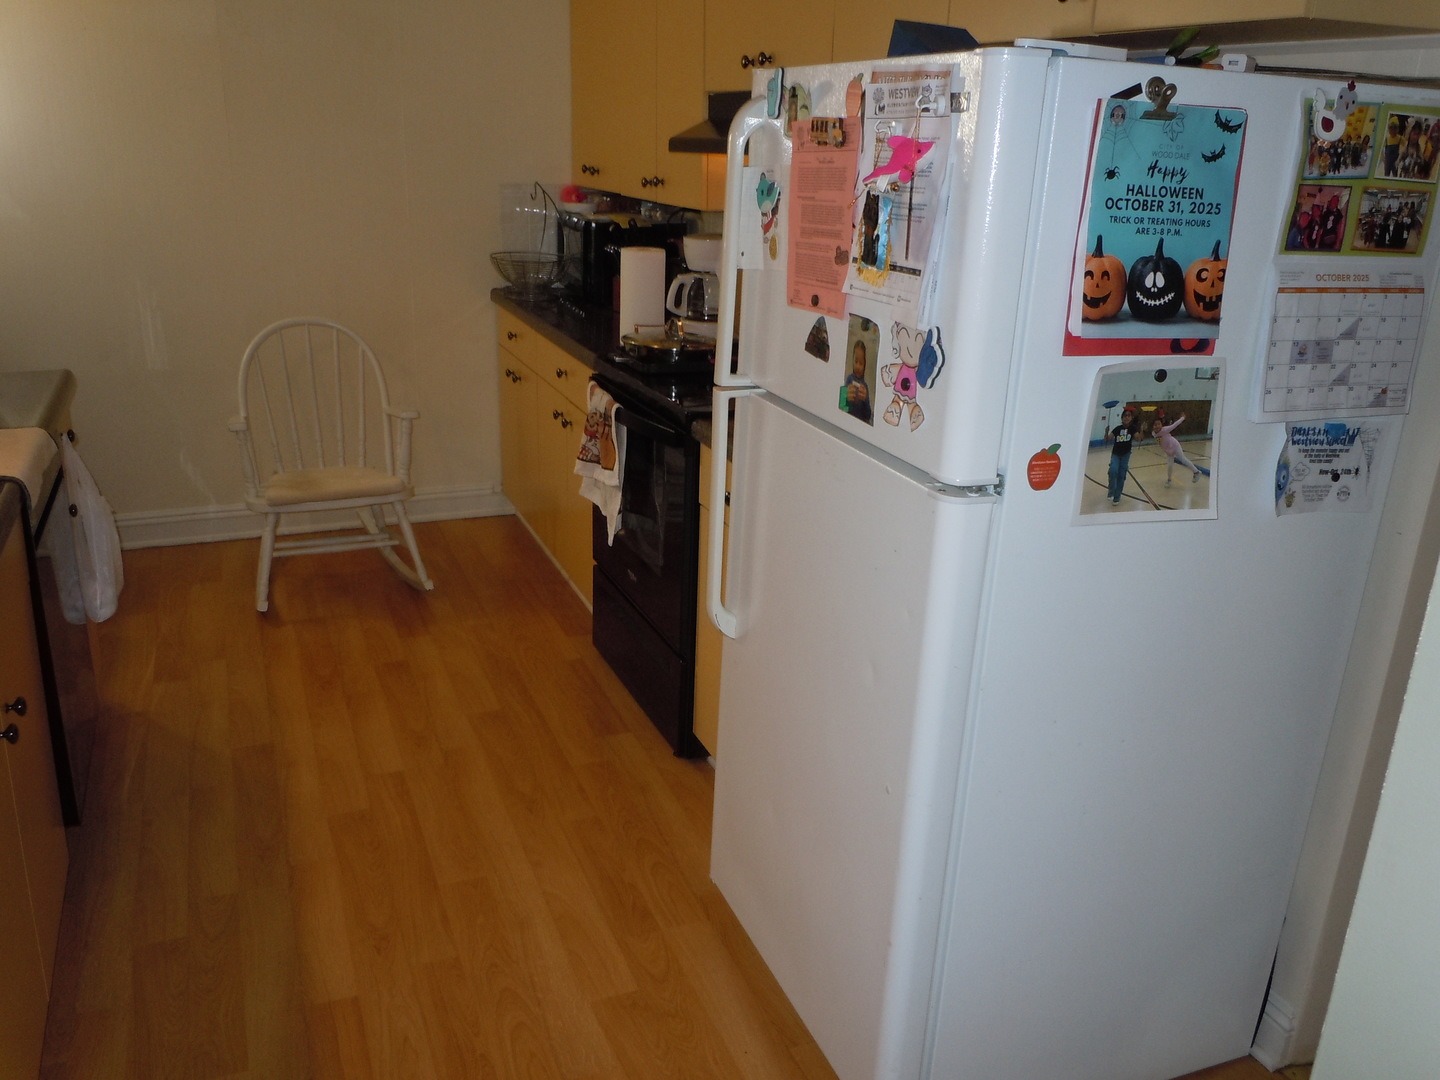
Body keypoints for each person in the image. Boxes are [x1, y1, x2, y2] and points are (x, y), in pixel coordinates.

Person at [1152, 414, 1211, 486]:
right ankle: (1169, 480)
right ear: (1153, 426)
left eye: (1159, 424)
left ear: (1161, 424)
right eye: (1155, 425)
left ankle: (1196, 472)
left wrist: (1182, 418)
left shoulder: (1165, 429)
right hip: (1168, 451)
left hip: (1175, 445)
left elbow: (1175, 425)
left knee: (1183, 459)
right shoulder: (1153, 433)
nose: (1157, 426)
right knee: (1170, 465)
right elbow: (1161, 442)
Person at [1105, 406, 1142, 505]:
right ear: (1122, 418)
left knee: (1121, 476)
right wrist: (1106, 432)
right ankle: (1111, 491)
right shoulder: (1117, 429)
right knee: (1113, 471)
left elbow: (1138, 439)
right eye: (1125, 416)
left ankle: (1117, 497)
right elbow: (1107, 439)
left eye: (1129, 416)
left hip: (1125, 455)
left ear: (1131, 418)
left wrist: (1142, 430)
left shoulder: (1133, 429)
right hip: (1116, 454)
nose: (1127, 417)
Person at [843, 340, 873, 423]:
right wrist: (846, 397)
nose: (858, 366)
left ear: (865, 365)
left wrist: (865, 399)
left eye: (861, 363)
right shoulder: (849, 379)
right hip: (848, 421)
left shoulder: (865, 386)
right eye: (856, 361)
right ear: (852, 360)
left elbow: (868, 415)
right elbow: (842, 406)